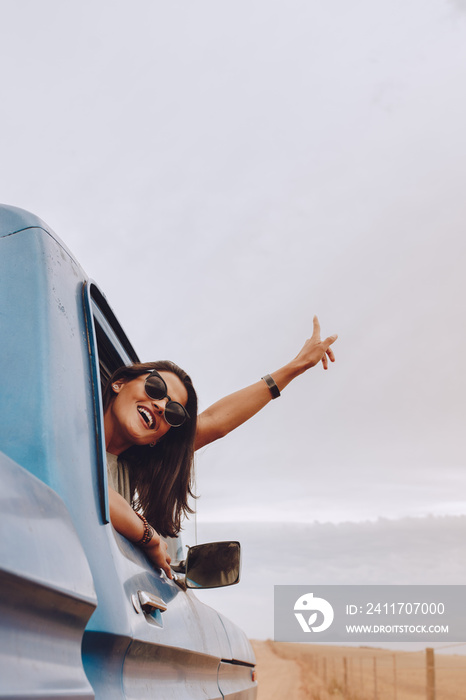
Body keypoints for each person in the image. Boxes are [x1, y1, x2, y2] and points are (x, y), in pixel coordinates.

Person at [104, 316, 337, 579]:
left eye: (173, 412)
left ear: (159, 438)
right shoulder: (63, 421)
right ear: (119, 383)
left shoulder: (129, 467)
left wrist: (297, 366)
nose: (160, 406)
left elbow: (215, 423)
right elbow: (79, 480)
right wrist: (148, 536)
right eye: (155, 388)